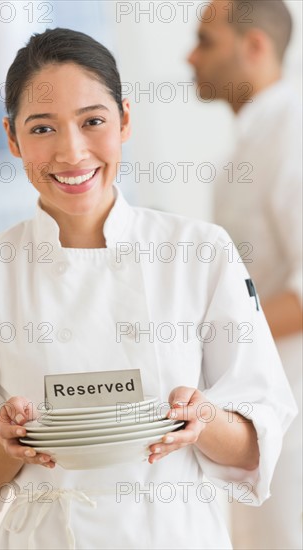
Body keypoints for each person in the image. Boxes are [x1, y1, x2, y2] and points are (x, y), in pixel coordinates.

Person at [0, 28, 297, 550]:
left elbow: (256, 443)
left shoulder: (200, 253)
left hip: (177, 535)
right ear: (11, 138)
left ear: (124, 120)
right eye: (42, 128)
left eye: (93, 121)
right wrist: (7, 445)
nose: (72, 153)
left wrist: (202, 418)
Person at [187, 1, 302, 549]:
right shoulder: (248, 146)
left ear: (254, 46)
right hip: (258, 407)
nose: (191, 56)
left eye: (206, 41)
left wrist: (202, 342)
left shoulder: (294, 133)